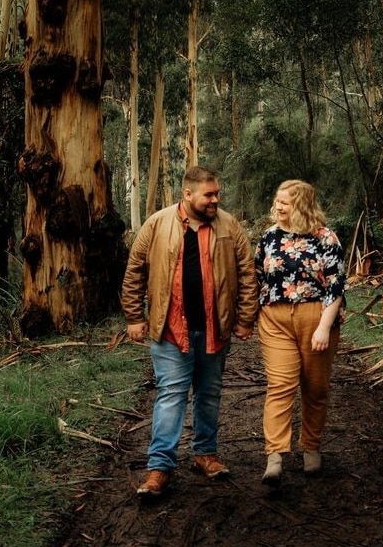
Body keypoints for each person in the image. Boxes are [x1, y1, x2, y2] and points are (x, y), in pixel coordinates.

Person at [122, 165, 258, 497]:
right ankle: (159, 469)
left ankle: (205, 454)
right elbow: (135, 270)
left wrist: (244, 318)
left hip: (215, 330)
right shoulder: (158, 223)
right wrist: (134, 317)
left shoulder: (229, 226)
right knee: (171, 397)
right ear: (188, 194)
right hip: (171, 330)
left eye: (217, 194)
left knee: (209, 394)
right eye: (209, 194)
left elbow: (246, 273)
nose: (215, 199)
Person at [254, 179, 346, 486]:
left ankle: (311, 447)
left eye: (285, 203)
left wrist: (323, 327)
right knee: (280, 384)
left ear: (302, 206)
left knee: (315, 387)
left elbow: (335, 286)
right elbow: (257, 278)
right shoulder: (268, 238)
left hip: (316, 317)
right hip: (275, 318)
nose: (278, 207)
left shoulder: (325, 238)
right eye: (277, 201)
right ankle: (275, 457)